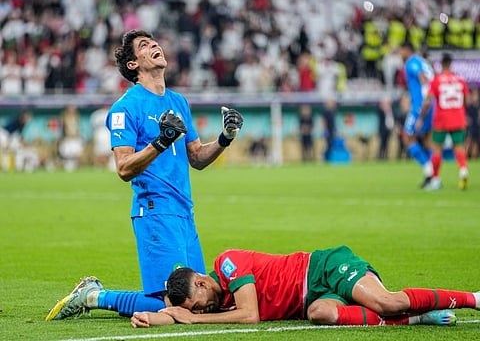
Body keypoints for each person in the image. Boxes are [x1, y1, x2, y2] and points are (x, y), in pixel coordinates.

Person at [45, 29, 244, 321]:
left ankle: (94, 295)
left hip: (184, 212)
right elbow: (123, 168)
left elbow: (197, 157)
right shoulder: (126, 108)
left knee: (210, 298)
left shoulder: (179, 102)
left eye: (154, 42)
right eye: (144, 45)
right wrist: (161, 142)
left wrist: (225, 137)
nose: (154, 45)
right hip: (154, 211)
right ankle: (91, 296)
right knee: (172, 306)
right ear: (133, 65)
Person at [130, 245, 479, 328]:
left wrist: (192, 320)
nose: (201, 310)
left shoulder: (227, 264)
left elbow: (250, 315)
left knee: (386, 303)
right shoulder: (214, 300)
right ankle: (417, 318)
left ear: (203, 283)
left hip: (323, 268)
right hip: (315, 296)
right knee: (321, 314)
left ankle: (473, 298)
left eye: (197, 303)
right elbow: (176, 312)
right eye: (195, 311)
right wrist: (160, 317)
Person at [419, 53, 469, 190]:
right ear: (451, 64)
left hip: (441, 119)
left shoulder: (436, 81)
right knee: (459, 147)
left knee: (437, 149)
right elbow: (466, 101)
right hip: (458, 118)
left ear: (441, 64)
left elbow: (428, 101)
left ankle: (435, 180)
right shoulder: (460, 80)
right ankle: (463, 172)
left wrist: (421, 117)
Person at [399, 42, 434, 188]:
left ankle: (429, 170)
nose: (400, 54)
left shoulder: (412, 62)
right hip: (432, 104)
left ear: (407, 50)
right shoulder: (423, 61)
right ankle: (433, 175)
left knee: (408, 137)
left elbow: (423, 80)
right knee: (427, 138)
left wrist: (424, 102)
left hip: (420, 106)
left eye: (401, 51)